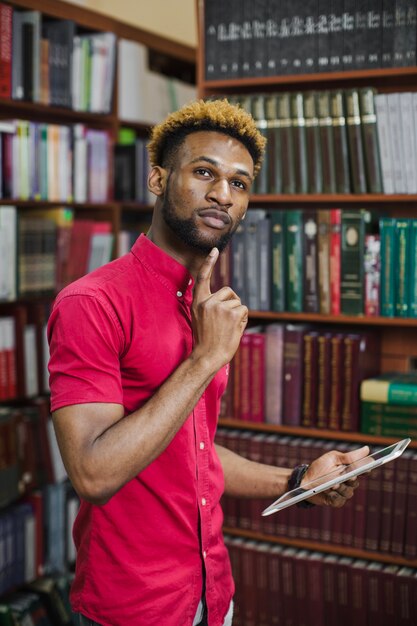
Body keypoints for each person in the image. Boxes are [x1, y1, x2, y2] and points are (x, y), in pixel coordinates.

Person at [47, 99, 369, 626]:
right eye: (204, 173)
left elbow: (188, 450)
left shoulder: (206, 304)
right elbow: (93, 473)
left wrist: (298, 480)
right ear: (157, 178)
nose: (222, 193)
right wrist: (205, 359)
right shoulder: (92, 302)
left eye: (239, 184)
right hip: (132, 608)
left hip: (212, 593)